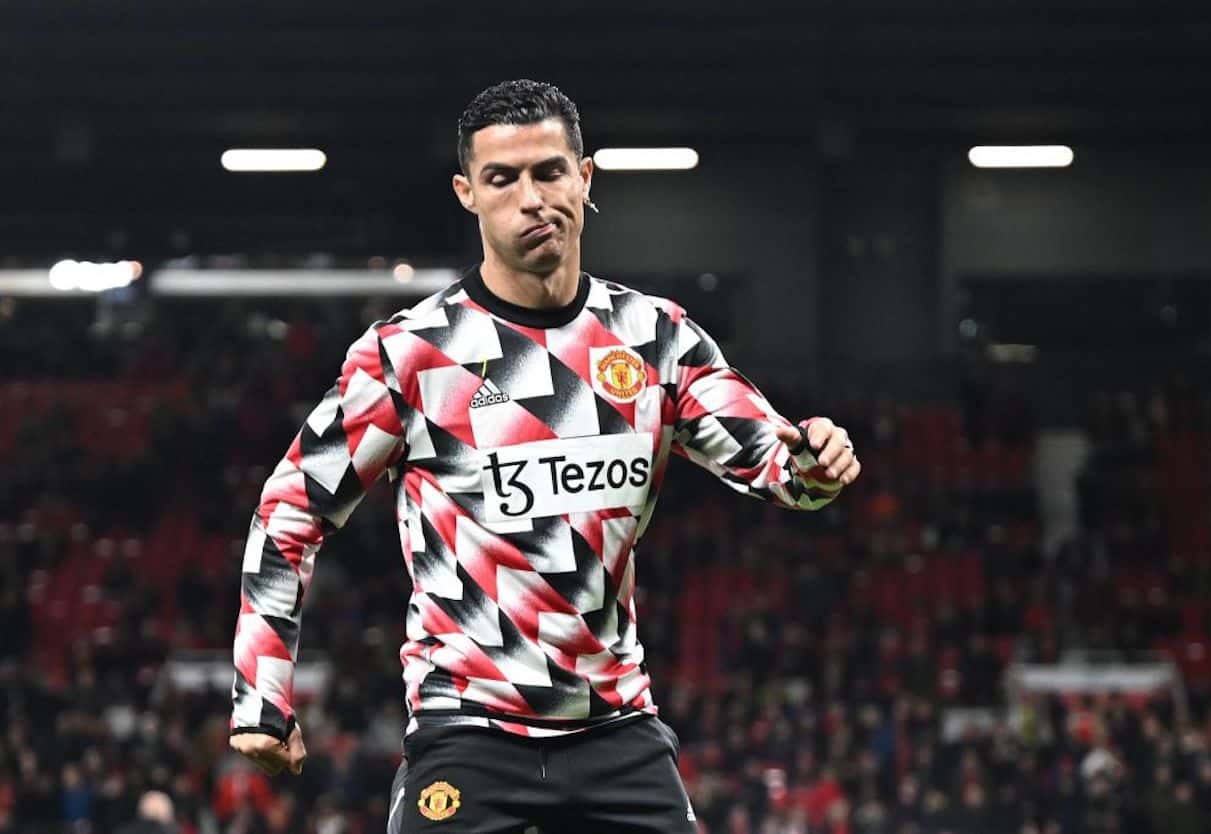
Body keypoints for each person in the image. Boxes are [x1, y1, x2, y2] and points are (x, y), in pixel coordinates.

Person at [228, 78, 861, 833]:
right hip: (467, 732)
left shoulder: (655, 338)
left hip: (616, 729)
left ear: (584, 178)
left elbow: (778, 468)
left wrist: (819, 464)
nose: (531, 197)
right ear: (467, 193)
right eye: (502, 178)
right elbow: (289, 509)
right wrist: (262, 696)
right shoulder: (412, 354)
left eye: (549, 172)